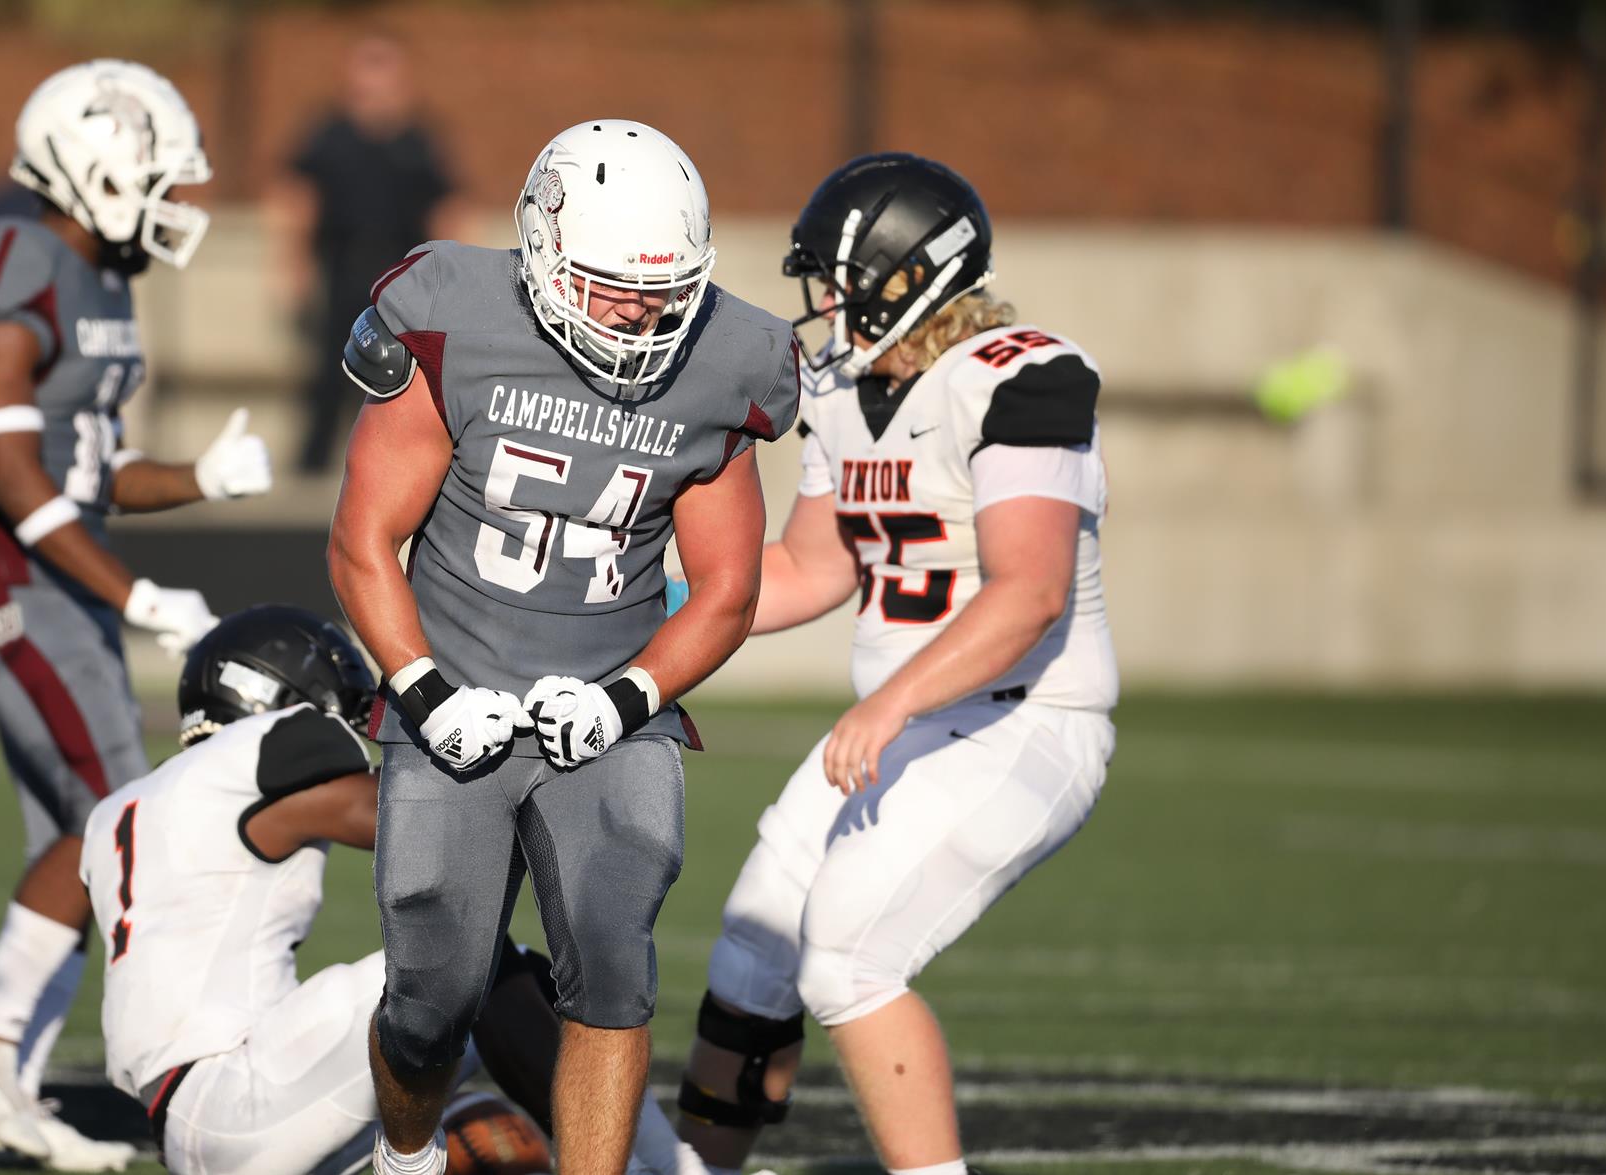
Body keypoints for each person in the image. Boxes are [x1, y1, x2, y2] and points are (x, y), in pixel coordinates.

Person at [328, 118, 802, 1175]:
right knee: (430, 994)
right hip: (448, 689)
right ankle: (404, 1157)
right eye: (611, 283)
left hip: (608, 704)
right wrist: (422, 690)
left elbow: (727, 587)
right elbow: (364, 538)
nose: (641, 310)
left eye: (665, 287)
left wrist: (627, 698)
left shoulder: (724, 357)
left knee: (612, 956)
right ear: (541, 250)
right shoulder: (451, 312)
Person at [669, 153, 1119, 1175]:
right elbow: (803, 567)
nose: (819, 303)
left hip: (1025, 715)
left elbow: (1028, 590)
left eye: (832, 279)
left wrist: (888, 705)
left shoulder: (1022, 376)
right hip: (908, 719)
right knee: (752, 949)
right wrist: (641, 607)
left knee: (848, 951)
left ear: (903, 276)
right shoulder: (841, 385)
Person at [0, 59, 274, 1172]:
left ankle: (3, 1086)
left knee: (75, 836)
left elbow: (89, 466)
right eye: (156, 179)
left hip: (55, 571)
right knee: (116, 810)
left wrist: (201, 478)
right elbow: (19, 480)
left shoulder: (99, 278)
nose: (171, 203)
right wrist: (137, 594)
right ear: (98, 168)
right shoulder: (7, 258)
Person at [80, 606, 687, 1175]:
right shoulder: (262, 749)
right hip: (237, 1095)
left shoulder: (117, 809)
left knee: (466, 1120)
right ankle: (660, 1169)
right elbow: (429, 822)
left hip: (195, 1125)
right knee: (479, 970)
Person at [275, 31, 456, 473]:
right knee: (328, 374)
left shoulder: (418, 141)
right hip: (342, 267)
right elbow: (297, 200)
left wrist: (448, 283)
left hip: (401, 276)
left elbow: (446, 211)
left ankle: (390, 470)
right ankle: (311, 470)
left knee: (403, 376)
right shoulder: (330, 135)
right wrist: (291, 269)